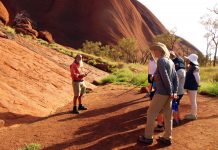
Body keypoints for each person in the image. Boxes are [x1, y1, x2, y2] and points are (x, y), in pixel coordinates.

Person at [138, 42, 178, 146]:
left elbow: (165, 77)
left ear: (160, 51)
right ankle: (167, 137)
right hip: (169, 94)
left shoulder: (161, 61)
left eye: (155, 50)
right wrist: (174, 92)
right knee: (168, 116)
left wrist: (170, 91)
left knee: (151, 113)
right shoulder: (171, 62)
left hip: (161, 93)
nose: (154, 52)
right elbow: (175, 78)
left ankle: (147, 137)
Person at [170, 51, 186, 125]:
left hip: (178, 91)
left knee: (174, 105)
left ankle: (176, 120)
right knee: (177, 104)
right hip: (181, 91)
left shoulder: (179, 72)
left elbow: (174, 81)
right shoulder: (183, 70)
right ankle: (178, 118)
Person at [184, 54, 200, 120]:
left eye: (189, 59)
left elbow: (197, 78)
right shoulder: (192, 66)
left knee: (193, 101)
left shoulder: (195, 67)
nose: (188, 60)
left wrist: (197, 84)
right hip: (191, 86)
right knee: (192, 101)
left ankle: (193, 115)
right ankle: (193, 114)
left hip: (192, 87)